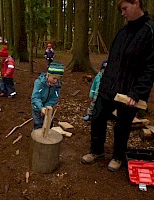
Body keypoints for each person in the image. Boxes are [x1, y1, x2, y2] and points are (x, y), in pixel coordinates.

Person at [81, 0, 154, 172]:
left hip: (130, 91)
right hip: (109, 87)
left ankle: (118, 156)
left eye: (124, 8)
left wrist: (137, 93)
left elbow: (150, 68)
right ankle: (96, 150)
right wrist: (104, 83)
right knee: (97, 116)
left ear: (136, 3)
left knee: (122, 125)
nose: (122, 13)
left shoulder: (150, 31)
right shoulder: (122, 32)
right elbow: (112, 60)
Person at [31, 62, 64, 129]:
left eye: (58, 79)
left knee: (49, 123)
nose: (56, 81)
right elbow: (35, 97)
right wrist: (41, 108)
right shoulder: (39, 83)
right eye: (54, 78)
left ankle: (48, 135)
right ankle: (38, 136)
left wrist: (47, 107)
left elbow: (55, 98)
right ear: (48, 75)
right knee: (38, 123)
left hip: (48, 108)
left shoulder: (57, 85)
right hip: (37, 107)